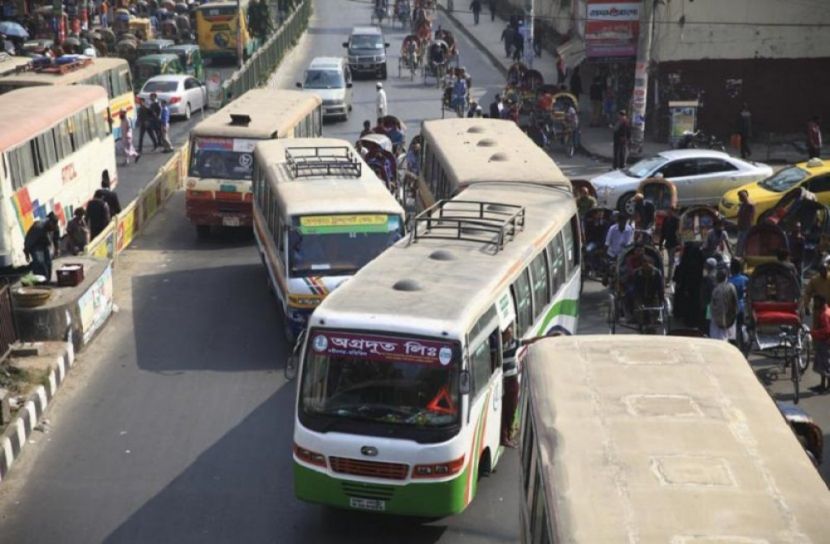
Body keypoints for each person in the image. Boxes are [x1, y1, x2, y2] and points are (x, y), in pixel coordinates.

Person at [23, 214, 60, 281]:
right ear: (49, 222)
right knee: (39, 262)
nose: (53, 228)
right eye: (52, 226)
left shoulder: (55, 227)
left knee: (48, 262)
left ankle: (47, 280)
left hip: (45, 244)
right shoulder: (38, 228)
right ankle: (39, 281)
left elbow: (56, 238)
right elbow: (28, 241)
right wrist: (26, 254)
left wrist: (57, 249)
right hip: (35, 245)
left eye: (54, 226)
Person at [632, 256, 664, 328]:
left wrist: (661, 298)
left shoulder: (657, 273)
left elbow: (660, 287)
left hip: (653, 295)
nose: (646, 266)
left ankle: (653, 323)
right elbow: (635, 288)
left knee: (655, 310)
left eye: (648, 264)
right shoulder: (637, 273)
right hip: (640, 295)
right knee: (639, 310)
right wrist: (637, 299)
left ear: (652, 264)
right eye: (644, 264)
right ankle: (640, 323)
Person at [604, 212, 633, 285]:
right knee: (609, 267)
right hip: (612, 253)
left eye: (624, 222)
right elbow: (607, 242)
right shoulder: (612, 229)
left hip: (623, 253)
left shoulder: (629, 229)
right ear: (618, 222)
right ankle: (606, 276)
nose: (623, 224)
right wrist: (605, 254)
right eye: (621, 222)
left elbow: (629, 242)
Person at [709, 268, 738, 341]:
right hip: (728, 317)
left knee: (716, 336)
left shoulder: (715, 289)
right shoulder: (731, 287)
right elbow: (735, 301)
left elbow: (712, 305)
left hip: (716, 319)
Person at [810, 295, 830, 393]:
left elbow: (827, 330)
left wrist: (814, 333)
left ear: (821, 301)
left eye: (816, 301)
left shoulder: (824, 314)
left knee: (825, 365)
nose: (815, 303)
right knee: (822, 365)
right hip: (824, 341)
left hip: (825, 342)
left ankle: (828, 387)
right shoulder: (826, 311)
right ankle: (822, 385)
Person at [728, 258, 749, 350]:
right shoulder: (745, 279)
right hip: (743, 306)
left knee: (732, 327)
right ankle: (744, 342)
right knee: (743, 326)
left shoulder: (729, 281)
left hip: (732, 307)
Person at [659, 205, 680, 280]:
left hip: (675, 243)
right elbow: (663, 232)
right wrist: (660, 244)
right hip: (668, 243)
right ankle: (670, 276)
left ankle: (669, 278)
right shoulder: (665, 220)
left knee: (671, 261)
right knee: (670, 261)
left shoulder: (676, 220)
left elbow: (679, 233)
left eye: (670, 211)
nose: (668, 212)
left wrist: (679, 243)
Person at [700, 257, 718, 334]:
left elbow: (704, 292)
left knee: (707, 323)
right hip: (714, 304)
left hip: (708, 305)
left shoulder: (708, 278)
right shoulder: (717, 275)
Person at [735, 189, 754, 256]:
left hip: (745, 228)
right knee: (739, 244)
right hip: (741, 227)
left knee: (741, 244)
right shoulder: (743, 204)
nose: (739, 198)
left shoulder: (749, 206)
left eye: (739, 197)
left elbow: (749, 218)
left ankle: (739, 257)